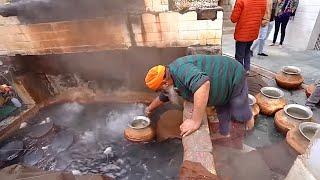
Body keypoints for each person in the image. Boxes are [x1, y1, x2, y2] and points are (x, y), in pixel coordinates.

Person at [144, 55, 254, 138]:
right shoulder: (170, 76)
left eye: (159, 89)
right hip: (221, 86)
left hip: (233, 74)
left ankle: (250, 130)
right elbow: (164, 96)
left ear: (165, 83)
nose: (161, 91)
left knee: (240, 110)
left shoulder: (181, 69)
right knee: (222, 110)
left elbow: (203, 85)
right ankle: (225, 135)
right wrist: (149, 109)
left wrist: (195, 122)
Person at [230, 0, 267, 72]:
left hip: (242, 32)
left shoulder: (241, 1)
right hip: (253, 31)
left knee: (239, 55)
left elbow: (233, 19)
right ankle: (247, 69)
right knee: (247, 51)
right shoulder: (263, 1)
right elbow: (262, 15)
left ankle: (239, 73)